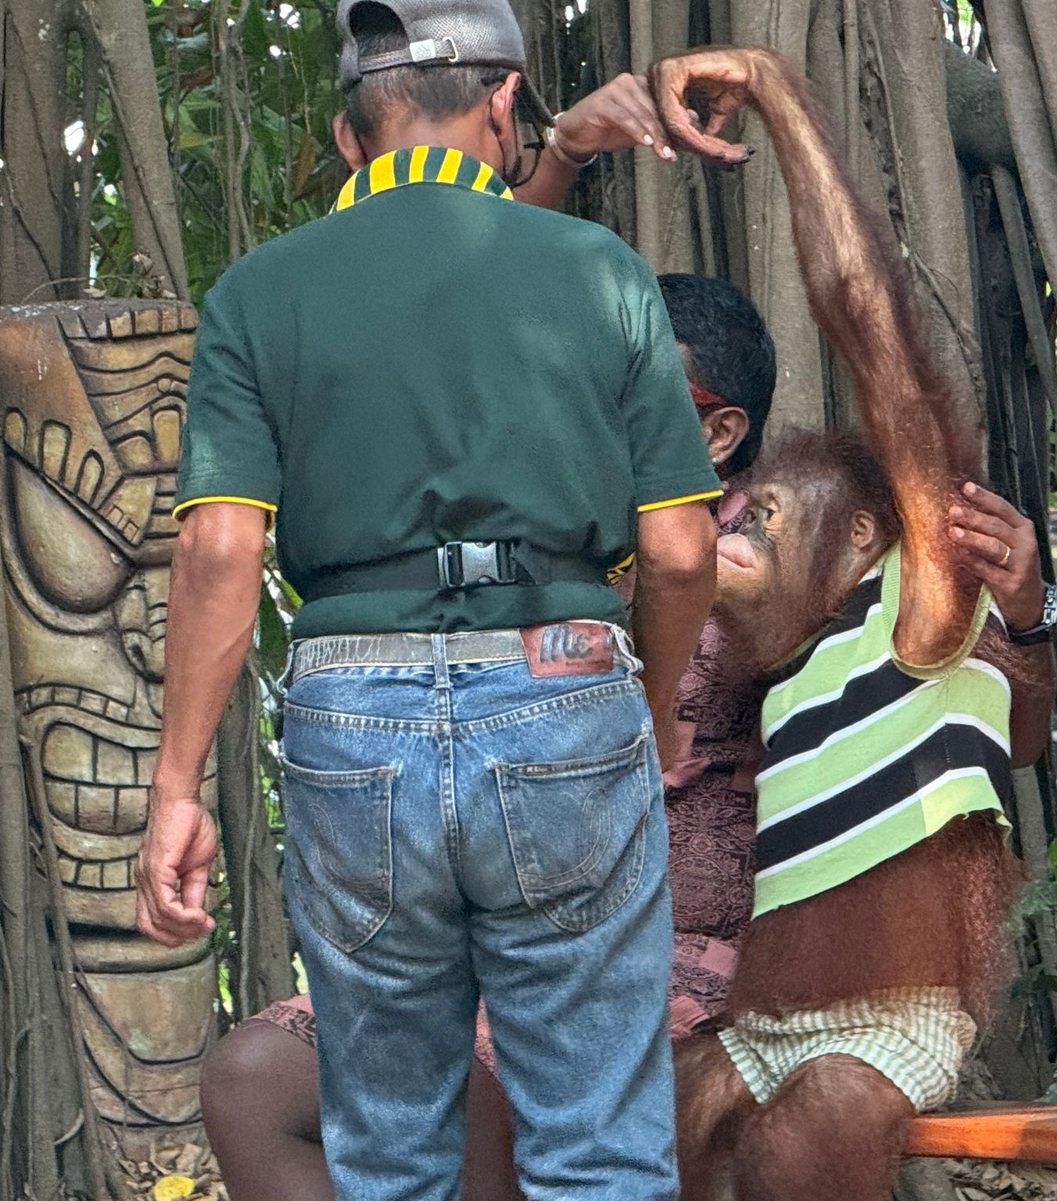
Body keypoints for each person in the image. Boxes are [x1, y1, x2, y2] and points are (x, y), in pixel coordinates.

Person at [133, 1, 722, 1197]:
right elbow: (674, 552)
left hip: (353, 716)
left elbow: (221, 551)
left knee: (389, 1149)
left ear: (352, 137)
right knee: (599, 1146)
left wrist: (178, 785)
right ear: (506, 105)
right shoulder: (599, 272)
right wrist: (651, 707)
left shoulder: (261, 292)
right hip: (563, 690)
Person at [199, 272, 779, 1201]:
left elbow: (948, 671)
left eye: (636, 393)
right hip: (489, 946)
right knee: (252, 1078)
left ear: (719, 434)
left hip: (672, 966)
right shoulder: (560, 539)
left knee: (503, 1115)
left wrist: (1029, 623)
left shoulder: (773, 553)